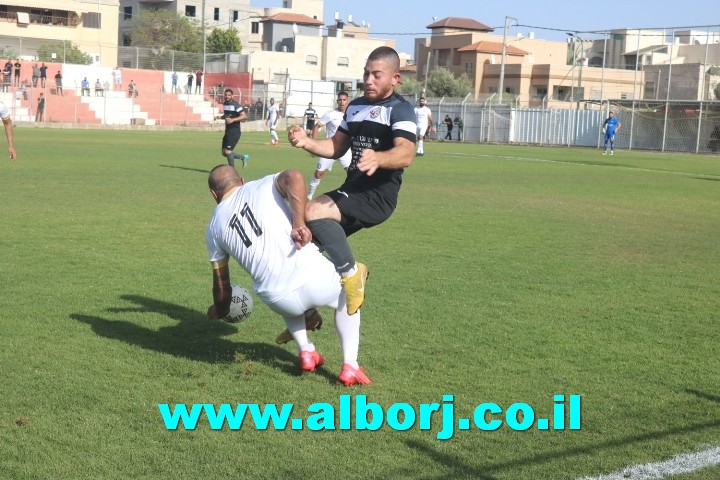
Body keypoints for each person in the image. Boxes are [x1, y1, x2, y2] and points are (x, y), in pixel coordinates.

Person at [205, 166, 371, 385]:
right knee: (351, 286)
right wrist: (299, 223)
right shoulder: (261, 185)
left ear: (214, 194)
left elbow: (222, 285)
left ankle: (306, 351)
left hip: (278, 301)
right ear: (242, 180)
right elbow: (294, 176)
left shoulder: (213, 228)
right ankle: (350, 364)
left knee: (275, 279)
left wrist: (219, 308)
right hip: (316, 280)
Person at [287, 46, 416, 317]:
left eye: (377, 75)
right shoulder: (356, 106)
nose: (368, 80)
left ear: (395, 78)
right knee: (305, 246)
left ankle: (352, 273)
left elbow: (406, 152)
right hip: (352, 190)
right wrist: (307, 142)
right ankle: (307, 315)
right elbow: (336, 146)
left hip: (376, 195)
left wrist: (380, 158)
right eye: (366, 73)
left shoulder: (400, 110)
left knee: (310, 211)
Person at [307, 91, 352, 200]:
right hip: (330, 148)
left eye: (344, 100)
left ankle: (352, 197)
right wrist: (314, 145)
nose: (342, 102)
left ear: (348, 101)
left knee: (352, 174)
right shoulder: (331, 114)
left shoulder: (352, 114)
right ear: (337, 101)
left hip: (345, 149)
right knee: (319, 174)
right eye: (340, 100)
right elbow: (316, 127)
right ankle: (309, 196)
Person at [214, 88, 249, 169]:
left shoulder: (236, 105)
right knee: (224, 152)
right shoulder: (225, 104)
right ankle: (243, 157)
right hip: (228, 131)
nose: (227, 96)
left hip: (234, 132)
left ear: (232, 96)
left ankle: (232, 171)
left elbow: (244, 116)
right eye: (225, 95)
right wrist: (219, 117)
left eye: (229, 95)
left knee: (228, 151)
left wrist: (233, 120)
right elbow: (227, 116)